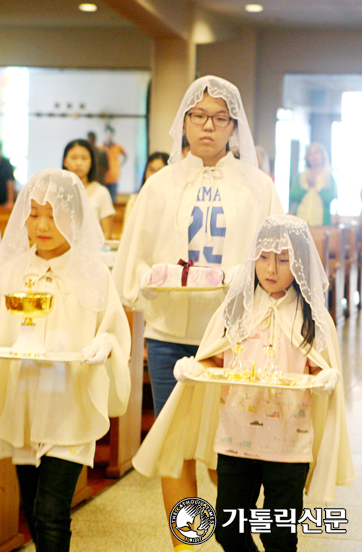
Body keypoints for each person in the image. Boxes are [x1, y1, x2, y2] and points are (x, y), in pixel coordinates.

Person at [113, 75, 283, 551]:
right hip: (169, 332)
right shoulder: (159, 186)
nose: (208, 126)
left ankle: (237, 542)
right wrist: (152, 276)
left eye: (219, 118)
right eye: (198, 115)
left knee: (227, 451)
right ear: (183, 122)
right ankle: (186, 546)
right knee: (176, 449)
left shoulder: (257, 186)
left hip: (232, 336)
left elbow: (275, 257)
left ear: (234, 126)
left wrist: (236, 277)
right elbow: (135, 259)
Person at [135, 215, 354, 552]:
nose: (271, 268)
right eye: (264, 257)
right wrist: (194, 367)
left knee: (279, 535)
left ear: (299, 263)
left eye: (283, 260)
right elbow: (214, 357)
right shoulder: (236, 309)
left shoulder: (312, 316)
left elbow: (319, 369)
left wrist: (324, 379)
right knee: (229, 529)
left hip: (289, 444)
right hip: (238, 439)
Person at [0, 169, 131, 552]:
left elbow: (113, 333)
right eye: (34, 213)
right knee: (31, 508)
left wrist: (105, 345)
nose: (42, 225)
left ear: (74, 217)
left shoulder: (92, 273)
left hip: (69, 403)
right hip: (24, 403)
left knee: (52, 508)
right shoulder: (12, 271)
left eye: (53, 215)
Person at [62, 139, 115, 239]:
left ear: (91, 162)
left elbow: (107, 234)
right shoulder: (57, 191)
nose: (79, 163)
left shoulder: (101, 192)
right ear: (65, 161)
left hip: (93, 252)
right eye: (74, 158)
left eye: (84, 158)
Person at [290, 142, 337, 226]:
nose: (314, 156)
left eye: (317, 152)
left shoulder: (328, 176)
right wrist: (306, 186)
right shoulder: (301, 176)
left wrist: (316, 185)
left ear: (322, 155)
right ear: (307, 157)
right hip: (301, 221)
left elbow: (330, 198)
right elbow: (293, 197)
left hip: (320, 223)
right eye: (310, 154)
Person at [123, 151, 169, 229]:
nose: (154, 175)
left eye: (159, 170)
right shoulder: (134, 201)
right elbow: (127, 231)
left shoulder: (174, 201)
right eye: (151, 169)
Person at [103, 125, 127, 202]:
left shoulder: (118, 146)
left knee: (113, 200)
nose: (109, 136)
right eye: (107, 133)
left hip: (114, 177)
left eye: (110, 134)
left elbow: (125, 155)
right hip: (103, 177)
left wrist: (120, 165)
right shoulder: (101, 147)